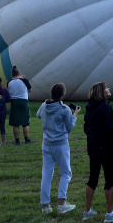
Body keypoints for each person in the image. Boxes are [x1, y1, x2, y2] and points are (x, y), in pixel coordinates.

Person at [83, 82, 113, 223]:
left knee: (92, 178)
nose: (109, 89)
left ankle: (87, 211)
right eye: (106, 88)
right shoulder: (105, 107)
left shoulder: (89, 107)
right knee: (109, 179)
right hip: (105, 147)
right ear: (101, 92)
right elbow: (108, 128)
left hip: (93, 147)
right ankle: (109, 214)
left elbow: (86, 128)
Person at [37, 83, 81, 214]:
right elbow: (69, 127)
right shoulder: (64, 109)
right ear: (63, 94)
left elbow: (38, 115)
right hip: (60, 144)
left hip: (46, 143)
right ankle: (61, 203)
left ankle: (45, 206)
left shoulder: (44, 105)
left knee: (46, 174)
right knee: (65, 173)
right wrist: (75, 115)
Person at [8, 66, 32, 146]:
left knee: (15, 123)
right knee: (25, 123)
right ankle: (26, 139)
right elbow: (30, 90)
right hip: (23, 101)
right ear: (19, 73)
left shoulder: (9, 83)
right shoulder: (24, 81)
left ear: (11, 74)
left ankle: (17, 141)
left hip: (14, 102)